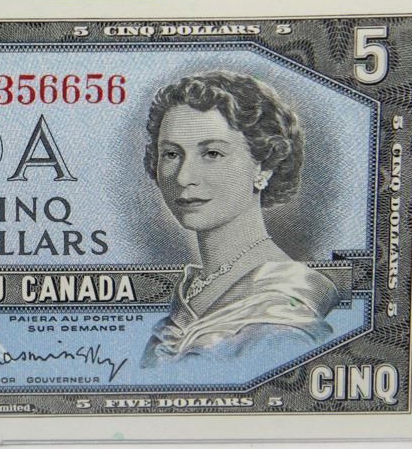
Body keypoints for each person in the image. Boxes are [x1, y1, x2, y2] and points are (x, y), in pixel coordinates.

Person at [140, 70, 340, 366]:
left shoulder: (282, 317)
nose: (183, 177)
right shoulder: (190, 292)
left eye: (212, 153)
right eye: (171, 154)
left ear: (265, 165)